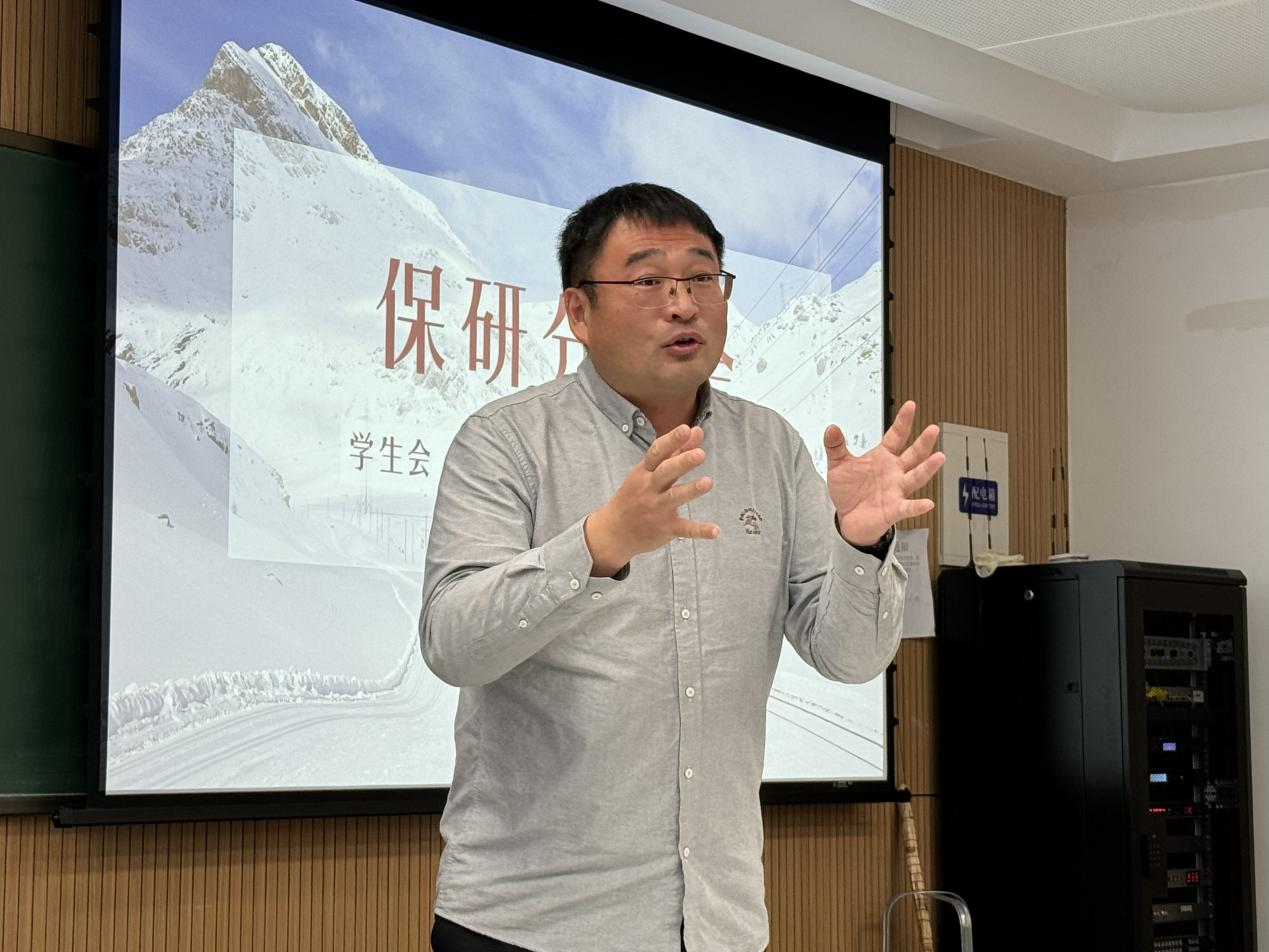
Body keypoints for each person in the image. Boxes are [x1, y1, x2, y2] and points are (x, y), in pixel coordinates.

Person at [419, 183, 944, 952]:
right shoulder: (506, 440)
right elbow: (452, 644)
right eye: (647, 280)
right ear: (578, 312)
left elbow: (851, 658)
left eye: (701, 277)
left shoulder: (771, 447)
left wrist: (859, 545)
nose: (682, 303)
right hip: (531, 921)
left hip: (716, 921)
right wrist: (596, 544)